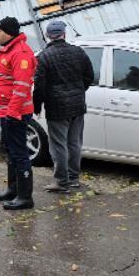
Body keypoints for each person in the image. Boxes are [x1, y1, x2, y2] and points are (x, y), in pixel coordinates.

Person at [32, 21, 93, 193]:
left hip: (57, 108)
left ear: (47, 36)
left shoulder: (43, 57)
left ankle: (61, 181)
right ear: (64, 34)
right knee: (74, 143)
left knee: (59, 145)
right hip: (78, 105)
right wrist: (78, 91)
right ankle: (73, 179)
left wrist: (37, 106)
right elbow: (89, 76)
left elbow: (39, 85)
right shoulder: (78, 52)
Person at [0, 17, 37, 210]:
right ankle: (13, 189)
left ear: (8, 33)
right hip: (6, 111)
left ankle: (25, 197)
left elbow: (22, 86)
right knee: (9, 150)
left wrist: (12, 112)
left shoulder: (21, 53)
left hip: (15, 113)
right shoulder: (8, 50)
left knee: (19, 153)